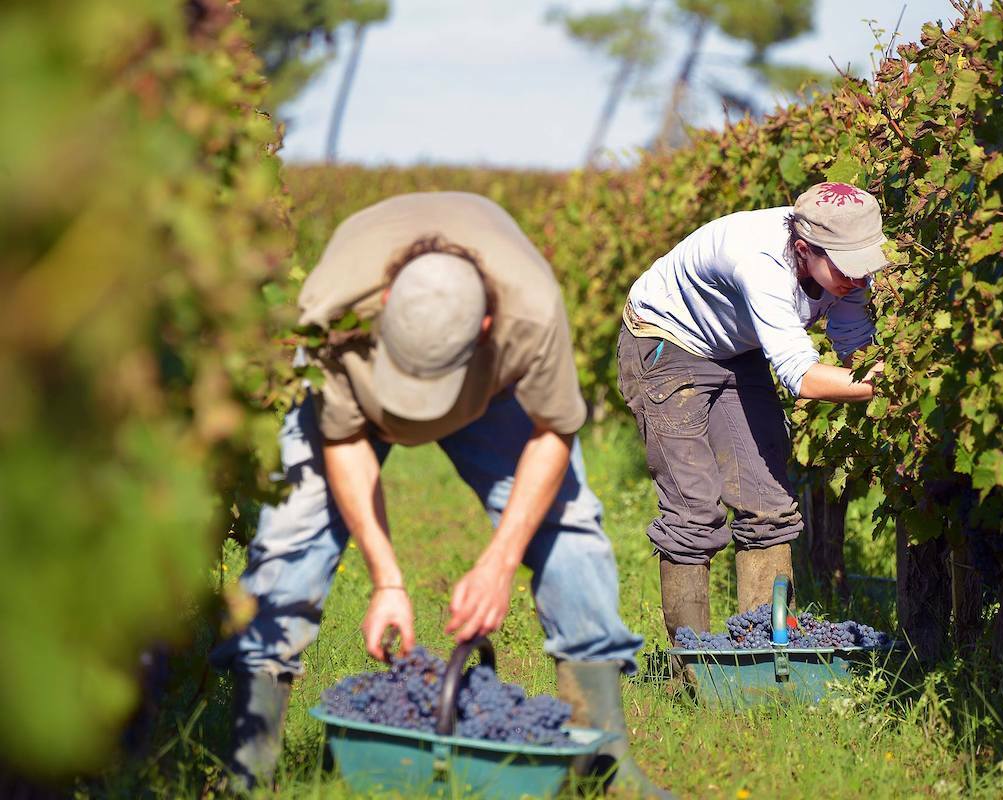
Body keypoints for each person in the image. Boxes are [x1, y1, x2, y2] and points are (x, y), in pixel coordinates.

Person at [211, 192, 670, 798]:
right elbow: (343, 441)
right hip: (361, 389)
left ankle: (604, 763)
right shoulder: (334, 313)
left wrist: (500, 562)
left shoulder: (530, 313)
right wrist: (387, 580)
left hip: (493, 391)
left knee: (571, 531)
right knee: (290, 540)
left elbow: (553, 432)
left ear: (485, 326)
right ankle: (249, 764)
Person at [617, 182, 889, 649]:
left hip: (737, 349)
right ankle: (695, 669)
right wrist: (888, 384)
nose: (860, 280)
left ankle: (764, 656)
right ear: (804, 250)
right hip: (665, 339)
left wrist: (883, 375)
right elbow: (801, 377)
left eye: (867, 267)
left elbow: (853, 351)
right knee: (693, 509)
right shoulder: (760, 263)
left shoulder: (848, 271)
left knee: (768, 504)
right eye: (848, 269)